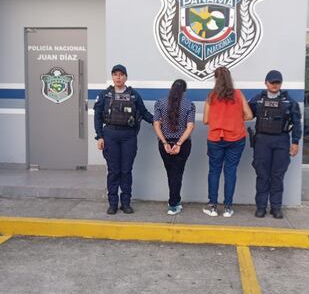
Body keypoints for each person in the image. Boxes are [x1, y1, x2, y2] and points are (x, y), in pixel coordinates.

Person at [94, 64, 153, 215]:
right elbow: (98, 116)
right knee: (114, 171)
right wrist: (99, 136)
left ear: (126, 77)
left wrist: (157, 122)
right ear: (112, 77)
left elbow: (144, 113)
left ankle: (126, 203)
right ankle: (113, 204)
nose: (118, 77)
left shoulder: (134, 95)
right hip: (110, 135)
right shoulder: (105, 95)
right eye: (115, 75)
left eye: (121, 75)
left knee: (126, 171)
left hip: (128, 136)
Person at [248, 70, 302, 219]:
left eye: (277, 82)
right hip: (262, 141)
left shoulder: (289, 101)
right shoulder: (257, 100)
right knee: (262, 175)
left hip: (281, 140)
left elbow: (297, 123)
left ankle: (276, 207)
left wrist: (295, 142)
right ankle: (261, 207)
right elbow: (246, 114)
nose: (274, 85)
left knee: (277, 175)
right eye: (272, 82)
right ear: (266, 83)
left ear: (281, 84)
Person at [202, 66, 253, 217]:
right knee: (230, 171)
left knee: (214, 171)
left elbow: (205, 120)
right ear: (229, 78)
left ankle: (212, 206)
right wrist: (236, 119)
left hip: (216, 138)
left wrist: (219, 120)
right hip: (236, 138)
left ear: (215, 79)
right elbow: (249, 115)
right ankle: (228, 208)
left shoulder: (211, 96)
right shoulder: (238, 94)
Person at [153, 79, 195, 215]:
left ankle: (174, 201)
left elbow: (156, 124)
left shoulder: (160, 103)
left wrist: (165, 142)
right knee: (177, 173)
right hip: (182, 145)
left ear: (171, 88)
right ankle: (174, 203)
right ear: (184, 91)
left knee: (170, 173)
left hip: (164, 144)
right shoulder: (189, 105)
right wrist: (179, 144)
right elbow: (190, 126)